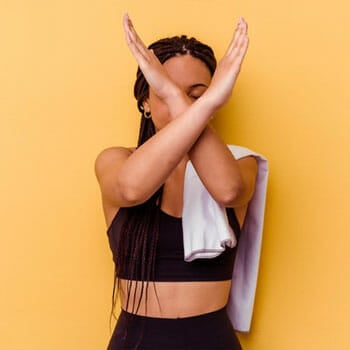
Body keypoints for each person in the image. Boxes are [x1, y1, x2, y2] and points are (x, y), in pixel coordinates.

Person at [95, 13, 258, 349]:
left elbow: (229, 191)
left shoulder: (241, 162)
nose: (181, 104)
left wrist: (171, 93)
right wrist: (206, 101)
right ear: (144, 102)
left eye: (197, 95)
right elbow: (131, 189)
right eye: (166, 94)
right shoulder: (116, 161)